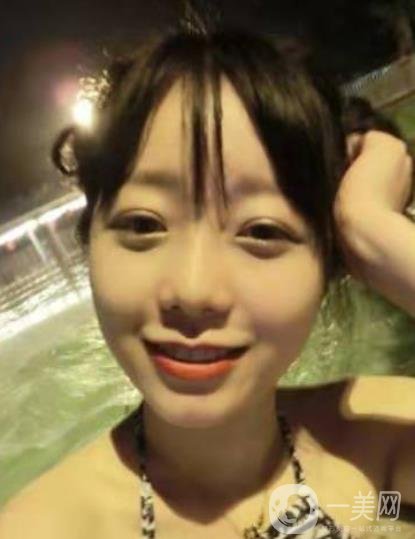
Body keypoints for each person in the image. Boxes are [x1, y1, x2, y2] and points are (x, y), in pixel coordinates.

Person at [1, 20, 415, 539]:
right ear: (93, 242)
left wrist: (371, 228)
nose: (193, 292)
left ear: (328, 263)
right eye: (143, 225)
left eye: (262, 231)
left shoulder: (378, 466)